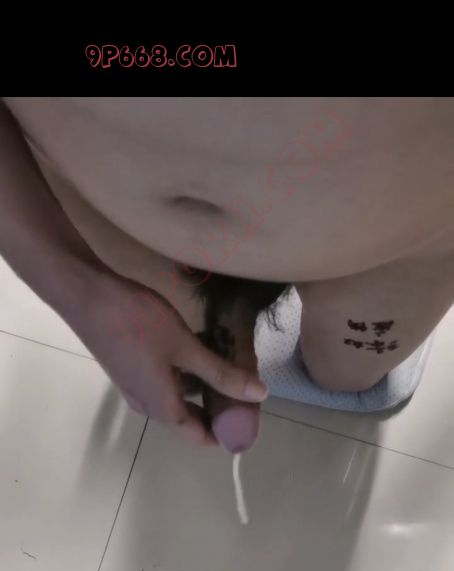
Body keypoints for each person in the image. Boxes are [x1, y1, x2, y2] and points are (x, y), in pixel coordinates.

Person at [2, 97, 454, 453]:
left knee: (345, 377)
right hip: (115, 215)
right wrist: (76, 288)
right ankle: (227, 325)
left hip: (397, 242)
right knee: (190, 371)